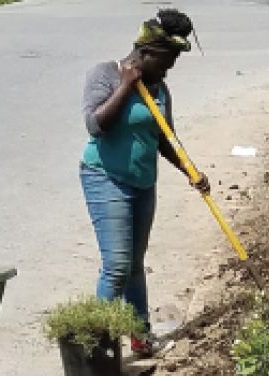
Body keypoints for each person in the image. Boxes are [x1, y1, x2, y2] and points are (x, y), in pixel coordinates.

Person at [81, 8, 209, 356]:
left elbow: (165, 139)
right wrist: (126, 86)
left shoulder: (160, 88)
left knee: (135, 264)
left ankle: (139, 336)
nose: (169, 69)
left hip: (142, 183)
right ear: (145, 52)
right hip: (105, 178)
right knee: (117, 265)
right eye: (165, 61)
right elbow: (96, 125)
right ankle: (95, 346)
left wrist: (191, 170)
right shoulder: (104, 75)